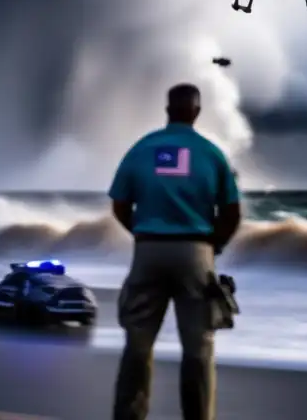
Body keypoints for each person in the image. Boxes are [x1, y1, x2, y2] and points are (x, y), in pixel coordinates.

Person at [108, 83, 242, 420]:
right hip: (195, 253)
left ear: (167, 109)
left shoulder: (142, 149)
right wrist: (214, 246)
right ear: (196, 112)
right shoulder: (211, 153)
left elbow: (120, 203)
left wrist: (141, 231)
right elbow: (232, 213)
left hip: (148, 251)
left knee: (138, 345)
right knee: (198, 348)